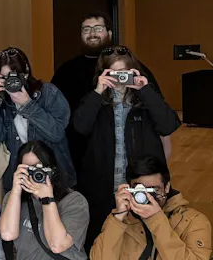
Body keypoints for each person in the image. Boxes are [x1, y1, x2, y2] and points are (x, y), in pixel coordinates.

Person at [72, 46, 180, 251]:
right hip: (103, 186)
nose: (120, 80)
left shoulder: (146, 100)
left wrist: (145, 89)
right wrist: (98, 91)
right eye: (114, 73)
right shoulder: (96, 101)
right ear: (103, 74)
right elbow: (80, 126)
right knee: (105, 240)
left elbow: (169, 125)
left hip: (141, 183)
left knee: (142, 240)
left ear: (133, 71)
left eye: (125, 73)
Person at [90, 156, 213, 260]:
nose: (147, 197)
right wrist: (118, 217)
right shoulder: (122, 221)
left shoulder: (194, 221)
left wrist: (156, 219)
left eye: (153, 190)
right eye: (140, 191)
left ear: (167, 187)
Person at [0, 141, 95, 260]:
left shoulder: (73, 201)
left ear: (53, 170)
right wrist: (16, 191)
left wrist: (47, 199)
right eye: (27, 169)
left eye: (39, 169)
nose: (34, 175)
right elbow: (7, 234)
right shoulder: (14, 199)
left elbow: (57, 245)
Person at [51, 12, 162, 168]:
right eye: (86, 29)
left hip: (130, 150)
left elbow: (159, 112)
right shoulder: (66, 71)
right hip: (79, 151)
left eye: (98, 28)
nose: (92, 33)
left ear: (109, 33)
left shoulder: (132, 68)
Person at [0, 47, 74, 194]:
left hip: (53, 177)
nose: (11, 82)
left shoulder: (48, 93)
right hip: (17, 179)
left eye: (15, 76)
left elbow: (57, 133)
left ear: (26, 71)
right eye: (5, 77)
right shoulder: (2, 100)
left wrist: (28, 105)